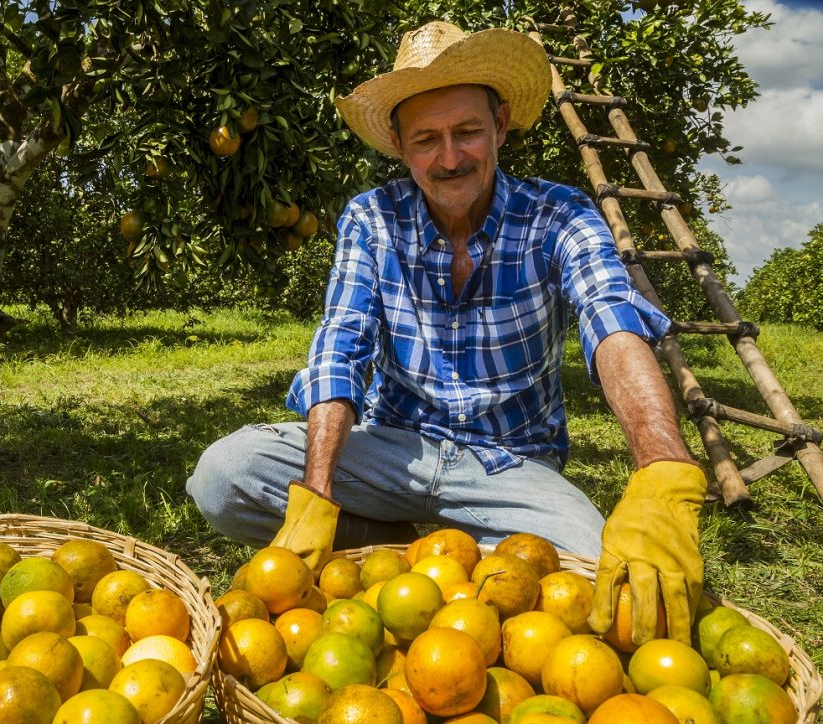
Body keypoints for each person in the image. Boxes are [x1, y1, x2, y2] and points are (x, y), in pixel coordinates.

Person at [187, 21, 707, 646]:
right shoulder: (372, 218)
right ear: (402, 148)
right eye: (427, 139)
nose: (450, 157)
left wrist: (662, 469)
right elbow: (341, 342)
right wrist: (317, 491)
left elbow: (613, 320)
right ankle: (411, 543)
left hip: (509, 468)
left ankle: (416, 546)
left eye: (466, 132)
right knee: (224, 476)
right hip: (394, 452)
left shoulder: (558, 214)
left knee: (610, 583)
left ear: (501, 126)